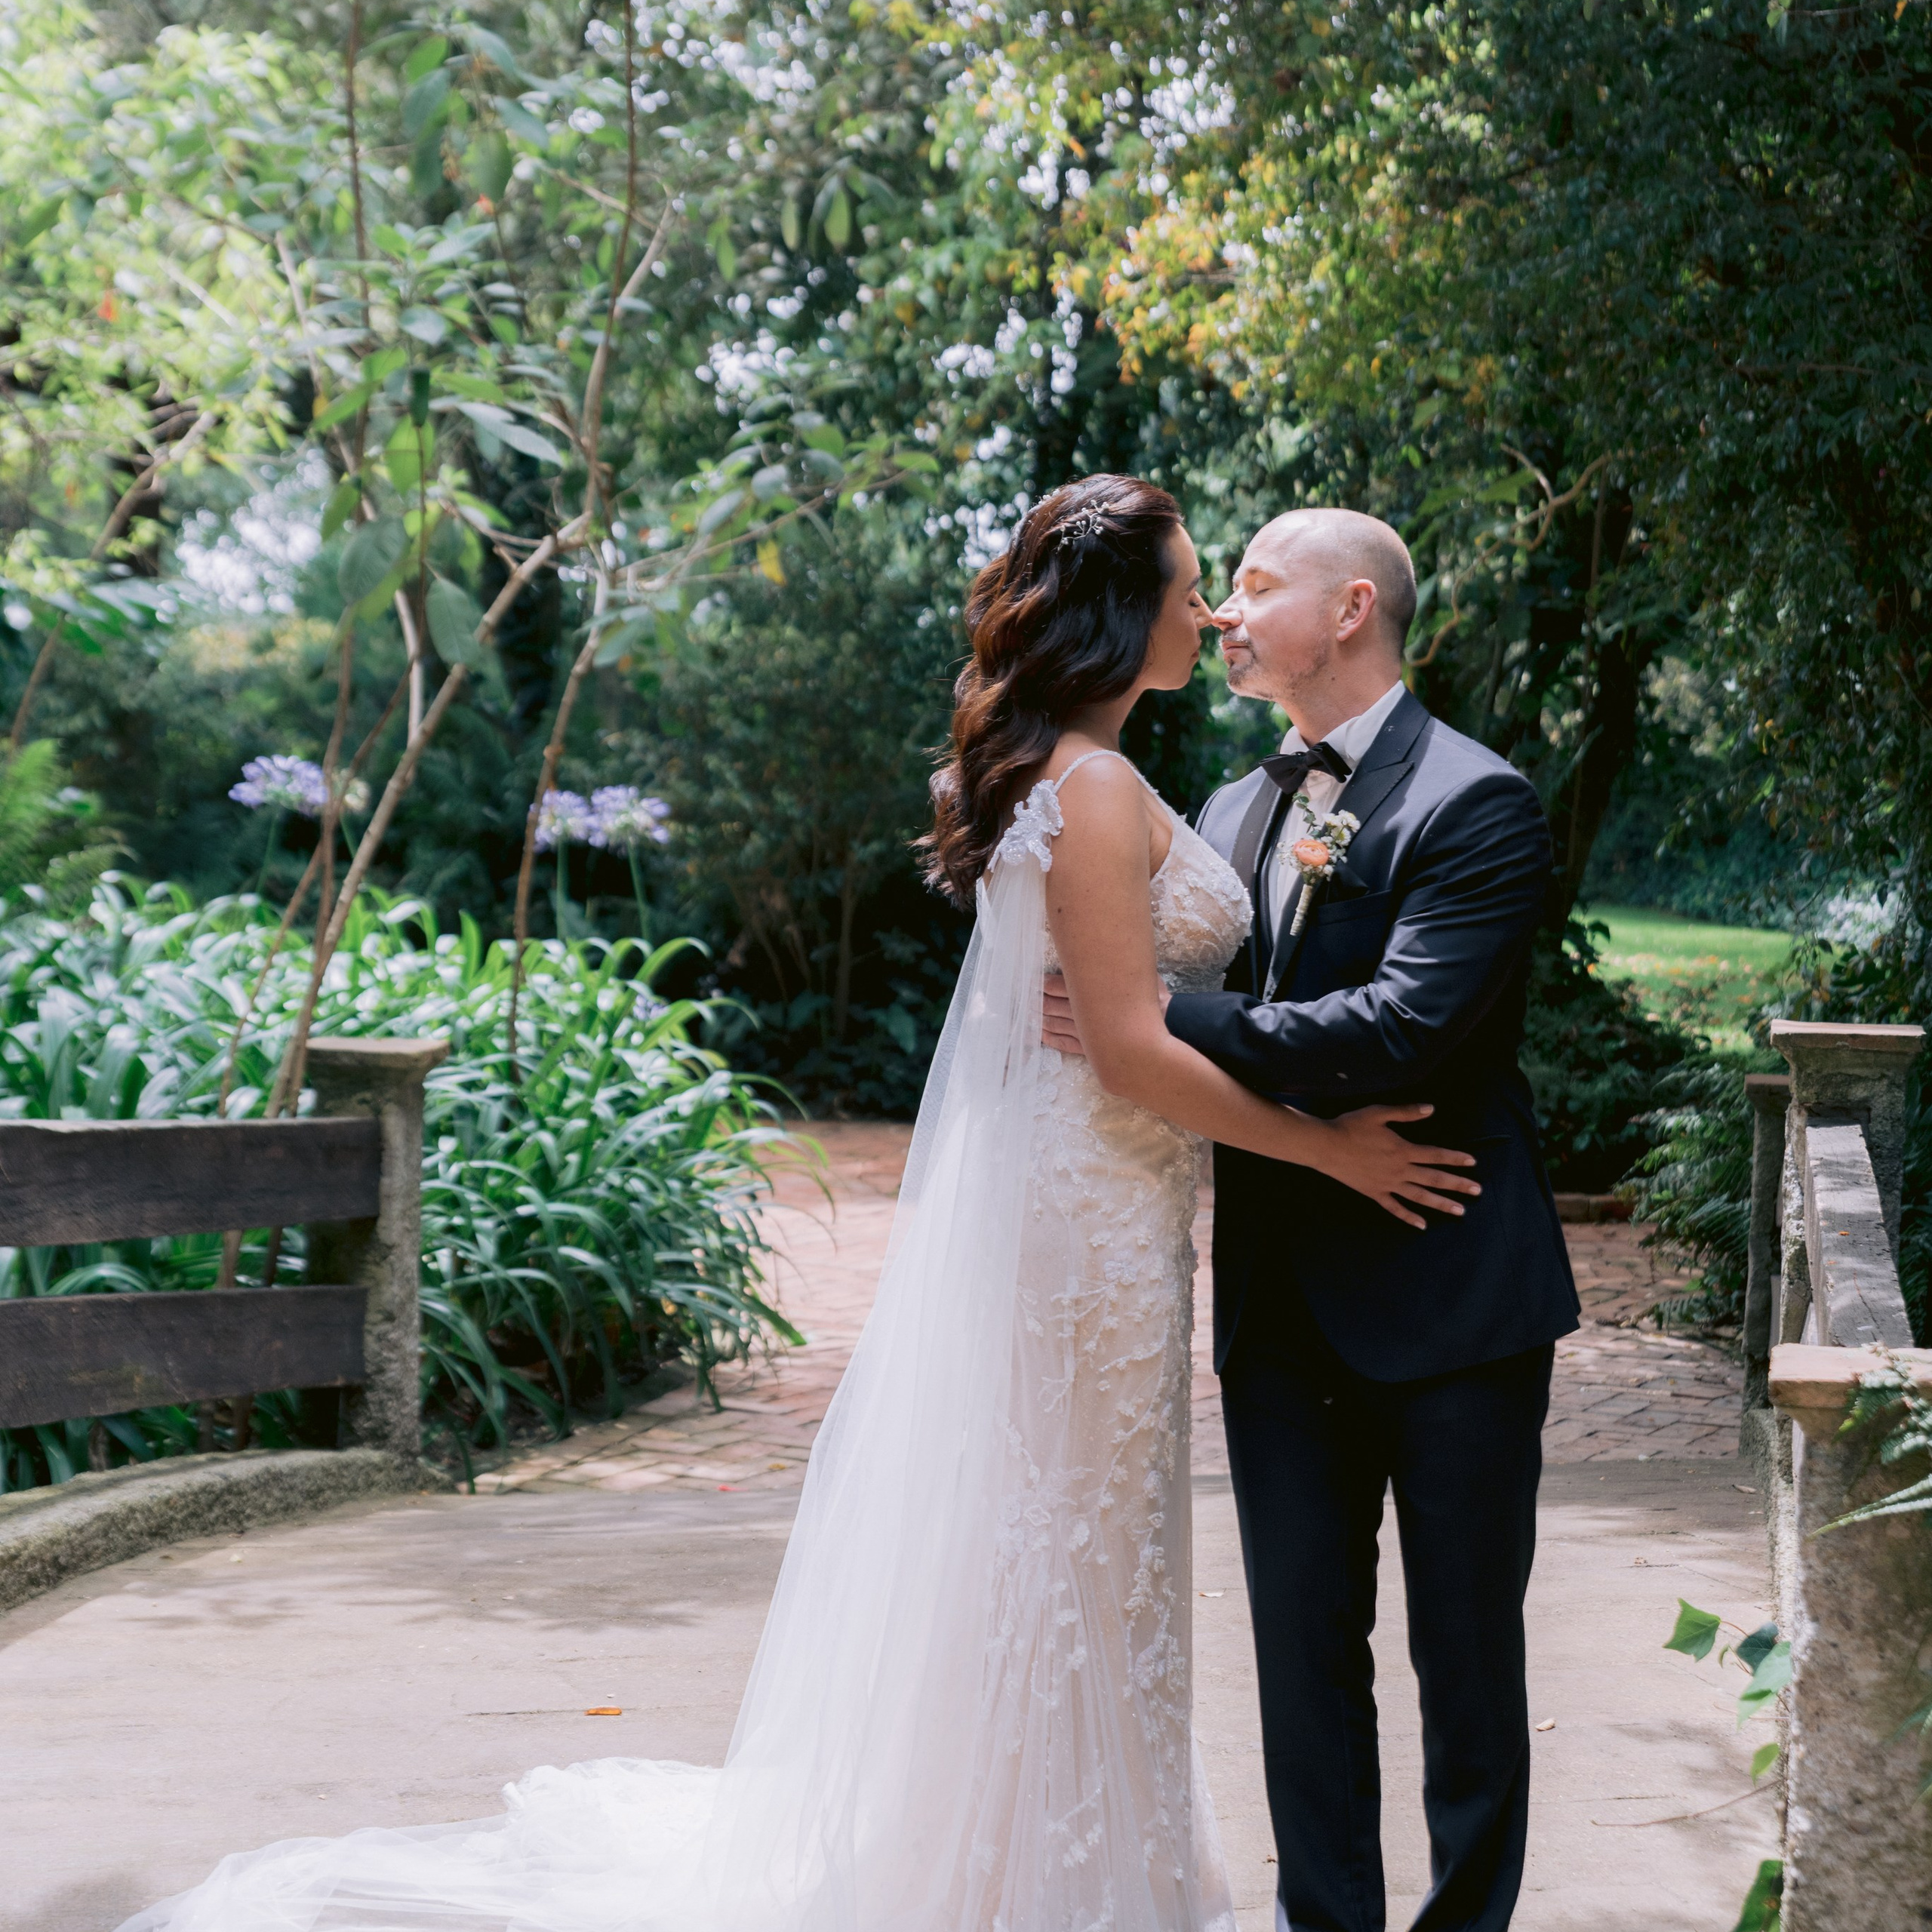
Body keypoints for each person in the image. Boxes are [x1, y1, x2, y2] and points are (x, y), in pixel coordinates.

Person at [117, 478, 1480, 1932]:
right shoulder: (1088, 786)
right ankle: (1035, 1879)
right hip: (1086, 1211)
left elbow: (1139, 1021)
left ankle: (1065, 1856)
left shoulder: (1092, 771)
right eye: (1190, 585)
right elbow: (1134, 1051)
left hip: (1111, 1199)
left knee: (1082, 1539)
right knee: (1069, 1536)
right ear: (1119, 612)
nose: (1206, 613)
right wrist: (1330, 1151)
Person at [1046, 507, 1581, 1932]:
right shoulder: (1229, 810)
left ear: (1351, 609)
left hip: (1453, 1293)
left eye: (1256, 583)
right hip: (1279, 1306)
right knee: (1302, 1664)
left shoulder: (1474, 800)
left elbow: (1400, 1028)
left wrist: (1158, 1018)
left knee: (1467, 1665)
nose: (1224, 611)